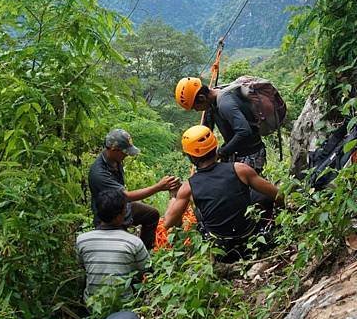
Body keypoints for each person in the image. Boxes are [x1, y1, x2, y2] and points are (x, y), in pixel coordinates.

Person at [164, 125, 283, 262]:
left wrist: (173, 196)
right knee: (261, 194)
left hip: (221, 249)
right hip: (252, 239)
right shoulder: (240, 169)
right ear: (215, 147)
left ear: (191, 157)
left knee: (199, 211)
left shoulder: (188, 187)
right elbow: (277, 194)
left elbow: (168, 223)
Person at [88, 128, 179, 249]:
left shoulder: (115, 160)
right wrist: (158, 187)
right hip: (109, 216)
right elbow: (126, 196)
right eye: (124, 152)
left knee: (151, 214)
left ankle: (146, 251)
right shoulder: (99, 173)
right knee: (122, 244)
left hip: (123, 207)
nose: (126, 155)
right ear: (113, 150)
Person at [175, 77, 266, 173]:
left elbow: (244, 131)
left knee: (245, 185)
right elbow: (207, 127)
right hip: (237, 151)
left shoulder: (225, 104)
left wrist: (221, 152)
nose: (197, 110)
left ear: (202, 98)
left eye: (195, 107)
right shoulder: (212, 101)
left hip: (250, 153)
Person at [77, 188, 151, 300]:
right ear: (119, 216)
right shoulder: (133, 242)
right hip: (124, 305)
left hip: (91, 305)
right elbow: (146, 272)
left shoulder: (82, 240)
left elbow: (83, 266)